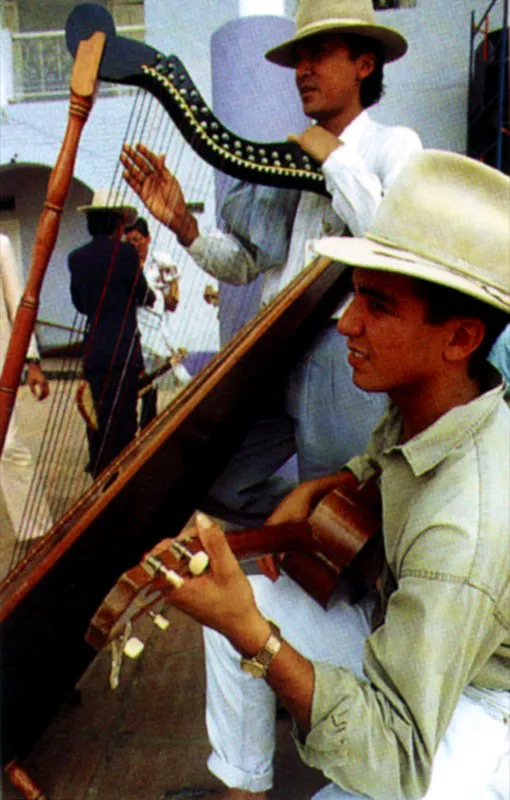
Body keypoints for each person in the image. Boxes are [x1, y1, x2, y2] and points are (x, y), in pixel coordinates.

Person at [148, 150, 510, 800]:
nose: (346, 322)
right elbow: (381, 466)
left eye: (376, 305)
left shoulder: (465, 527)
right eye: (353, 297)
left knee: (247, 626)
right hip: (398, 634)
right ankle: (244, 792)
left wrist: (253, 636)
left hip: (480, 703)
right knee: (246, 601)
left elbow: (399, 758)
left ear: (459, 338)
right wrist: (330, 483)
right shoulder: (428, 406)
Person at [121, 0, 423, 527]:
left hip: (342, 353)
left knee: (341, 510)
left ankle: (345, 551)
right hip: (277, 347)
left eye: (320, 54)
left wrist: (334, 159)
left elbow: (391, 237)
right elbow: (246, 264)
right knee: (217, 483)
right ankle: (320, 525)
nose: (303, 70)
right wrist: (183, 226)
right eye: (298, 57)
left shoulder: (391, 146)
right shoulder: (293, 157)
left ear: (364, 64)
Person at [68, 190, 156, 477]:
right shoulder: (126, 254)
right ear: (117, 223)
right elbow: (144, 295)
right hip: (124, 352)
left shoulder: (76, 258)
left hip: (95, 353)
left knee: (100, 425)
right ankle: (123, 488)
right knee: (125, 427)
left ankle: (102, 483)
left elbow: (80, 304)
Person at [0, 233, 53, 540]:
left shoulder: (3, 245)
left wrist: (32, 360)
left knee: (8, 448)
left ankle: (36, 531)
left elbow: (19, 304)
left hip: (2, 368)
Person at [125, 217, 191, 429]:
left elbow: (173, 302)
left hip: (155, 326)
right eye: (130, 241)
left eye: (137, 239)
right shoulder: (124, 264)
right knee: (133, 381)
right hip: (133, 327)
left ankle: (149, 426)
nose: (134, 245)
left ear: (147, 238)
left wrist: (164, 294)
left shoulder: (159, 263)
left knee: (153, 379)